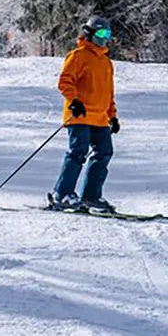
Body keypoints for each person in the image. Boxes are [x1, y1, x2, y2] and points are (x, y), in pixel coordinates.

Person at [49, 16, 120, 213]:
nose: (104, 38)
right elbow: (65, 81)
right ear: (89, 34)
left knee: (104, 152)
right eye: (100, 34)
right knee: (77, 152)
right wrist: (74, 101)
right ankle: (62, 193)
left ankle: (91, 196)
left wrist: (112, 116)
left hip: (100, 118)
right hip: (80, 115)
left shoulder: (106, 62)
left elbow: (108, 92)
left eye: (107, 34)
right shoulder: (78, 56)